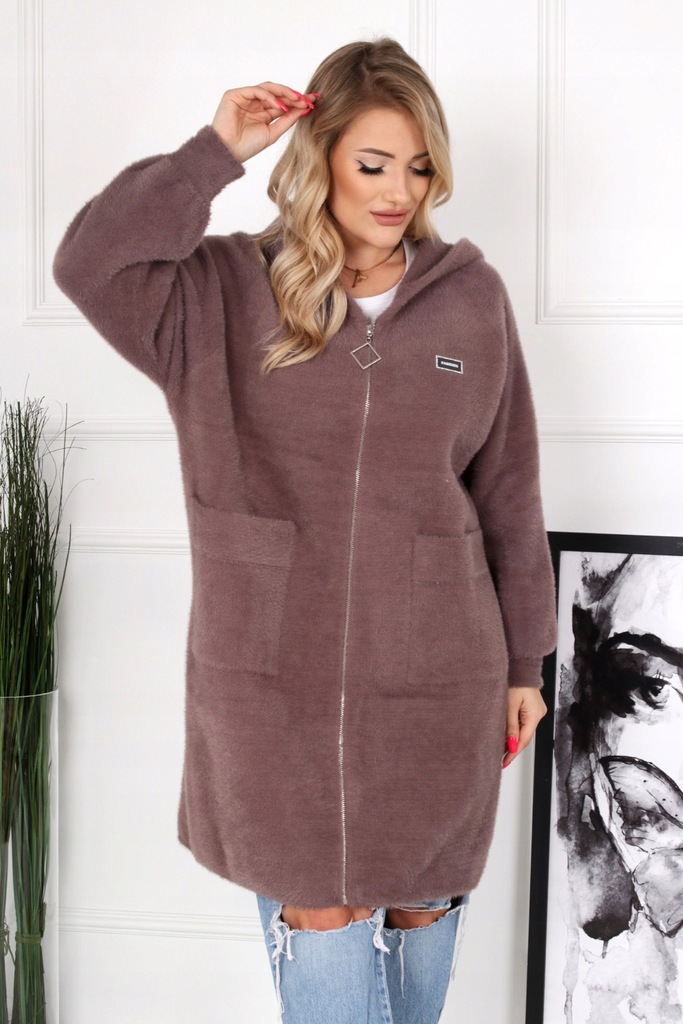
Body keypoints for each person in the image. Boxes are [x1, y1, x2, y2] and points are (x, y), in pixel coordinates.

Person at [53, 37, 557, 1024]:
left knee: (421, 908)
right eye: (372, 163)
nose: (398, 191)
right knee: (319, 916)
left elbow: (507, 490)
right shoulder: (219, 293)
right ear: (319, 155)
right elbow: (89, 262)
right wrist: (214, 151)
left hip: (435, 677)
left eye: (418, 168)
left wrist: (525, 664)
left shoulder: (469, 301)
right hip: (270, 682)